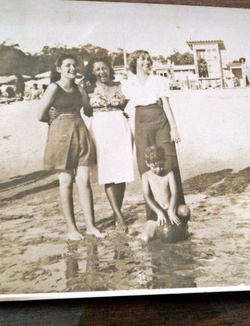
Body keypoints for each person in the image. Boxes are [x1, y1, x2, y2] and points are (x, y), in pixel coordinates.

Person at [38, 53, 105, 240]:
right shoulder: (53, 88)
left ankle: (91, 226)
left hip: (80, 133)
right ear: (59, 69)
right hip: (60, 137)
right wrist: (59, 120)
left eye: (75, 65)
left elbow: (89, 110)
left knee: (84, 182)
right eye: (68, 65)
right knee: (66, 182)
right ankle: (71, 229)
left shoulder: (79, 89)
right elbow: (40, 115)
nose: (72, 68)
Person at [121, 50, 186, 222]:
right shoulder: (128, 84)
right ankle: (154, 214)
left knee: (169, 161)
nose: (147, 62)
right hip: (141, 122)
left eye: (148, 59)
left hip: (160, 121)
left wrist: (174, 128)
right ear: (135, 62)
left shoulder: (159, 80)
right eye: (142, 59)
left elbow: (166, 105)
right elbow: (119, 104)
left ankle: (176, 209)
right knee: (145, 164)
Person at [84, 56, 134, 232]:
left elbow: (126, 105)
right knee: (108, 173)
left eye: (104, 68)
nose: (101, 72)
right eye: (97, 69)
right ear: (92, 71)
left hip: (120, 128)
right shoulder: (88, 88)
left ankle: (116, 214)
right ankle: (119, 217)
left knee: (121, 172)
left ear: (109, 69)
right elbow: (85, 109)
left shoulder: (119, 86)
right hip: (100, 130)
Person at [140, 146, 190, 243]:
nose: (159, 169)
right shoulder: (146, 176)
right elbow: (147, 196)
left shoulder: (169, 173)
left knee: (185, 210)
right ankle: (158, 230)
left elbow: (174, 193)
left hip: (172, 208)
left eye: (161, 165)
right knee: (145, 238)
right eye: (155, 167)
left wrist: (171, 210)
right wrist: (159, 212)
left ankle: (184, 228)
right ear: (148, 163)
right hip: (156, 212)